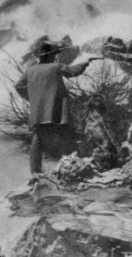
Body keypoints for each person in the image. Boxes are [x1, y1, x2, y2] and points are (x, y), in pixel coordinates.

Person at [15, 39, 91, 174]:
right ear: (50, 56)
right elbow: (73, 72)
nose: (56, 56)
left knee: (37, 141)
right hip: (58, 110)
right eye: (55, 54)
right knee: (66, 137)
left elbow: (19, 86)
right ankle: (69, 169)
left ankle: (35, 173)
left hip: (39, 111)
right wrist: (85, 63)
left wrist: (32, 98)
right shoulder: (56, 66)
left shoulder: (30, 70)